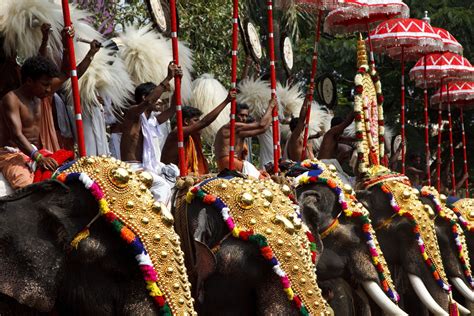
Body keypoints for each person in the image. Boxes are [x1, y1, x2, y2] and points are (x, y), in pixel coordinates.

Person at [0, 26, 100, 190]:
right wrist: (38, 158)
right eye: (45, 85)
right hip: (10, 154)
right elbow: (16, 135)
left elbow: (68, 73)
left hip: (36, 153)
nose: (49, 89)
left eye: (49, 85)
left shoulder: (40, 93)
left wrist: (67, 44)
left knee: (74, 172)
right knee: (28, 190)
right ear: (30, 81)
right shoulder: (11, 99)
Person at [120, 63, 181, 204]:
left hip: (151, 167)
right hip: (133, 167)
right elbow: (149, 101)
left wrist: (179, 81)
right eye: (156, 96)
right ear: (144, 97)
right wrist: (168, 77)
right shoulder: (132, 114)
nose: (159, 101)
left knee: (174, 178)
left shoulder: (153, 120)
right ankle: (157, 221)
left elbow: (173, 108)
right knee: (162, 187)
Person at [161, 91, 235, 175]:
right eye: (196, 120)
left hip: (190, 178)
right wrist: (226, 101)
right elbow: (204, 122)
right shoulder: (177, 132)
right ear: (186, 121)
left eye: (198, 120)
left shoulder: (193, 136)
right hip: (172, 180)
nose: (198, 123)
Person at [214, 97, 276, 178]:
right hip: (229, 161)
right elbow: (261, 124)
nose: (244, 118)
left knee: (263, 175)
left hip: (234, 162)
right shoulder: (231, 126)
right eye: (241, 115)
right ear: (233, 115)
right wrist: (271, 106)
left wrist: (273, 112)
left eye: (246, 116)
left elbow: (263, 129)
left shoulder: (239, 131)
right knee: (264, 180)